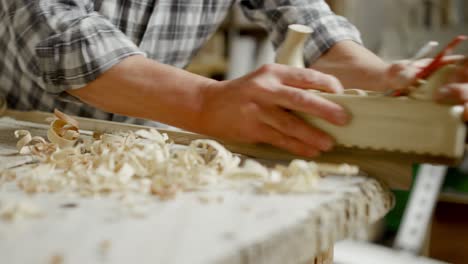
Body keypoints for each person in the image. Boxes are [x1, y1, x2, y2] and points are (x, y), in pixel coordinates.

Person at [0, 0, 465, 158]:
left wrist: (383, 74)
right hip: (20, 136)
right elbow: (54, 29)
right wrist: (206, 104)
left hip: (144, 145)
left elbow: (301, 14)